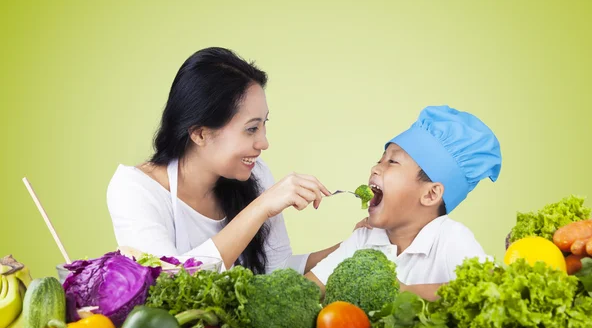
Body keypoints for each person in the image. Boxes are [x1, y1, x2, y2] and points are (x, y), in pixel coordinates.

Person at [107, 47, 335, 275]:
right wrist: (260, 208)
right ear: (200, 133)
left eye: (264, 124)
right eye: (251, 129)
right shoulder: (134, 190)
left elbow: (278, 272)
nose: (264, 143)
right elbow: (169, 282)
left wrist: (355, 246)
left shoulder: (255, 173)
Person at [305, 105, 502, 301]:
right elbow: (307, 289)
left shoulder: (451, 238)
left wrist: (400, 291)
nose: (375, 168)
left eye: (392, 162)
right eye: (379, 160)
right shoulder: (364, 238)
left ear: (431, 194)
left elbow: (488, 287)